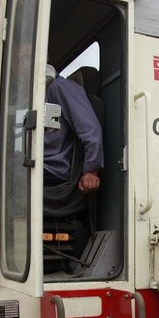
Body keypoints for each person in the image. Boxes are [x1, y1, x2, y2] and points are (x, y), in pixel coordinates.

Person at [42, 64, 104, 220]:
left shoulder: (59, 87)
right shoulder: (32, 95)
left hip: (52, 169)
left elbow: (90, 128)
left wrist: (91, 170)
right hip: (36, 166)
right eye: (16, 59)